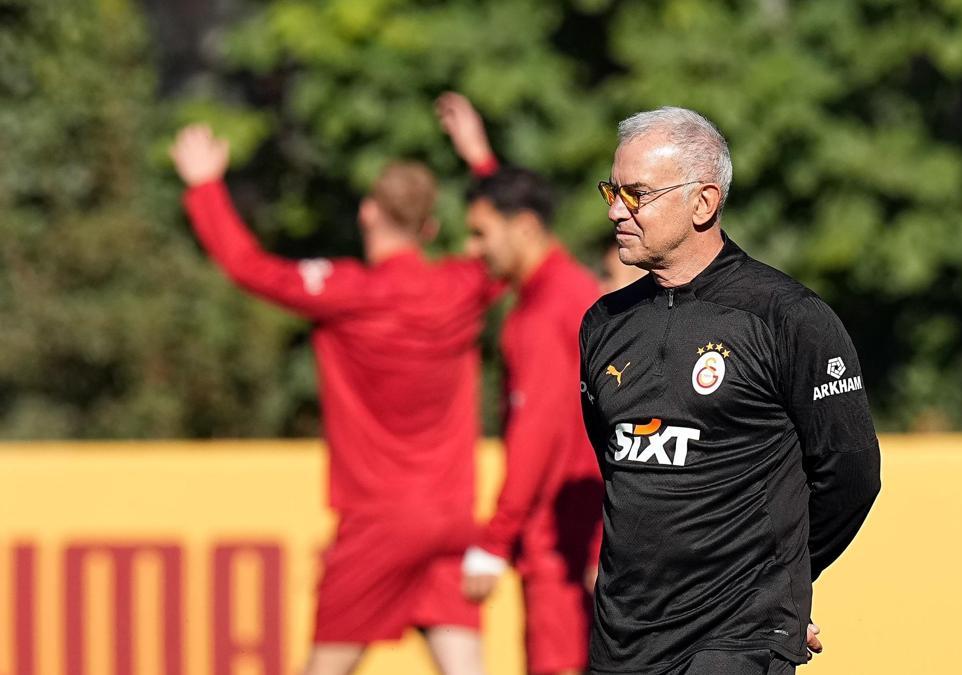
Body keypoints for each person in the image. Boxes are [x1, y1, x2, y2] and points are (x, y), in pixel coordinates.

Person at [170, 124, 494, 675]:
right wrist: (482, 161)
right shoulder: (461, 287)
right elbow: (508, 244)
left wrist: (205, 188)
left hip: (378, 519)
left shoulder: (349, 293)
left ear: (367, 212)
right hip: (452, 515)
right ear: (431, 227)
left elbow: (249, 266)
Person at [578, 107, 882, 675]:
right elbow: (617, 464)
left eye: (636, 194)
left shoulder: (787, 317)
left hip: (736, 639)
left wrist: (784, 582)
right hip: (623, 641)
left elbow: (852, 474)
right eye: (612, 191)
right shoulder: (603, 324)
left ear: (703, 203)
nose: (616, 210)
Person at [437, 92, 604, 675]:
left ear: (526, 228)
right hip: (593, 525)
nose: (473, 249)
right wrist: (481, 160)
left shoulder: (539, 316)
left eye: (481, 234)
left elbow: (536, 433)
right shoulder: (573, 291)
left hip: (559, 536)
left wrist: (496, 537)